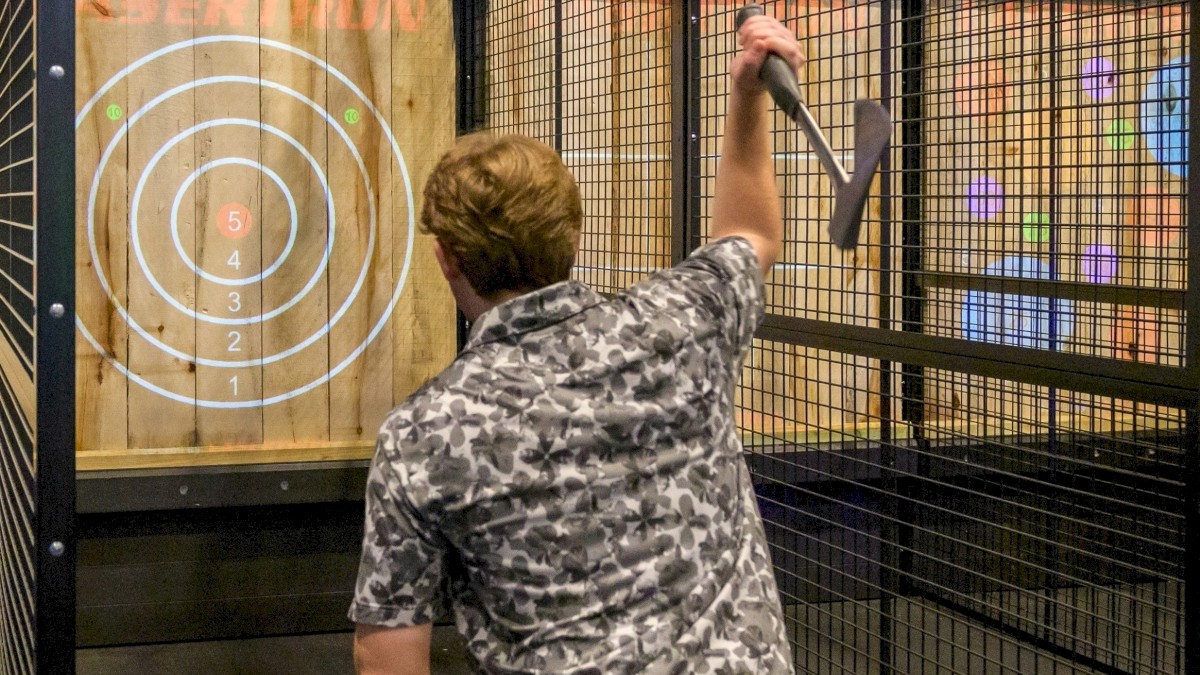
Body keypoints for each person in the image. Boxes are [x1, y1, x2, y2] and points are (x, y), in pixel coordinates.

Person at [350, 13, 803, 675]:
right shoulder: (682, 323)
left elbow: (388, 653)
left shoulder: (423, 436)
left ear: (448, 259)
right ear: (570, 229)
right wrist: (746, 97)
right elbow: (751, 234)